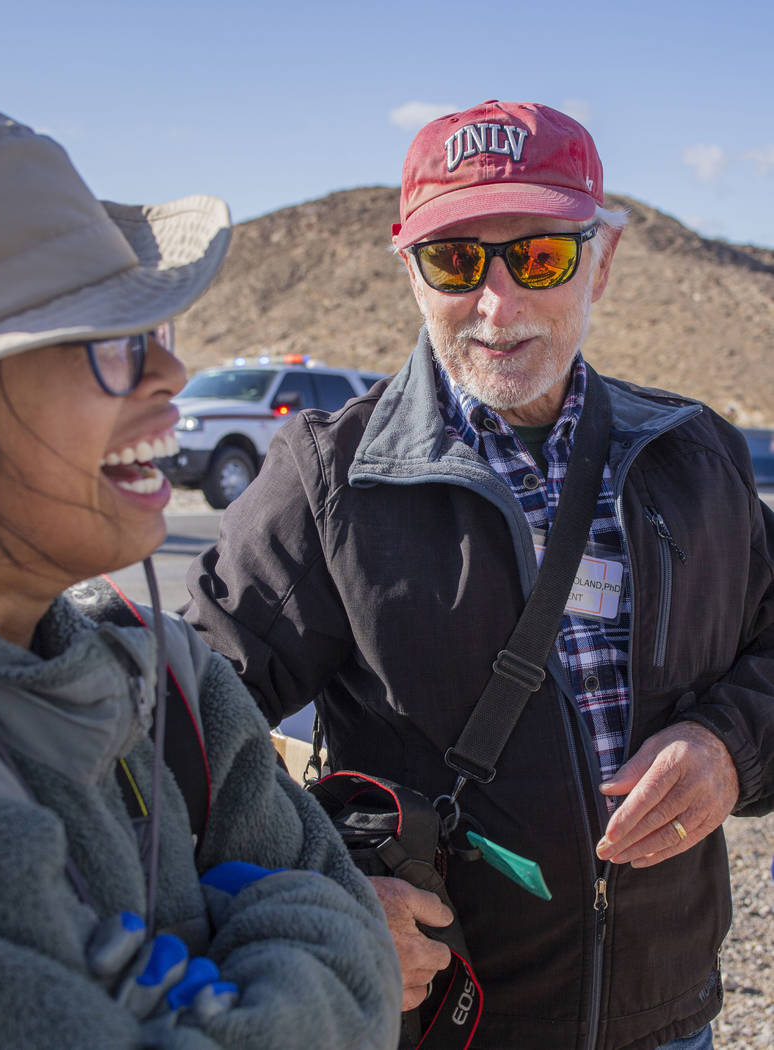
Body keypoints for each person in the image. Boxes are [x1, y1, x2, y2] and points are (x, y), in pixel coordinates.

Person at [0, 102, 403, 1049]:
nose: (172, 373)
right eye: (111, 339)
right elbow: (335, 927)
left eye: (156, 328)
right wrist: (309, 935)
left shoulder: (172, 686)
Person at [182, 100, 774, 1050]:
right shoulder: (330, 478)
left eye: (541, 257)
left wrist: (726, 746)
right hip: (452, 1025)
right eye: (456, 261)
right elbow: (185, 737)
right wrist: (321, 889)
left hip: (671, 1018)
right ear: (411, 273)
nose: (497, 305)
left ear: (603, 261)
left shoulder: (694, 455)